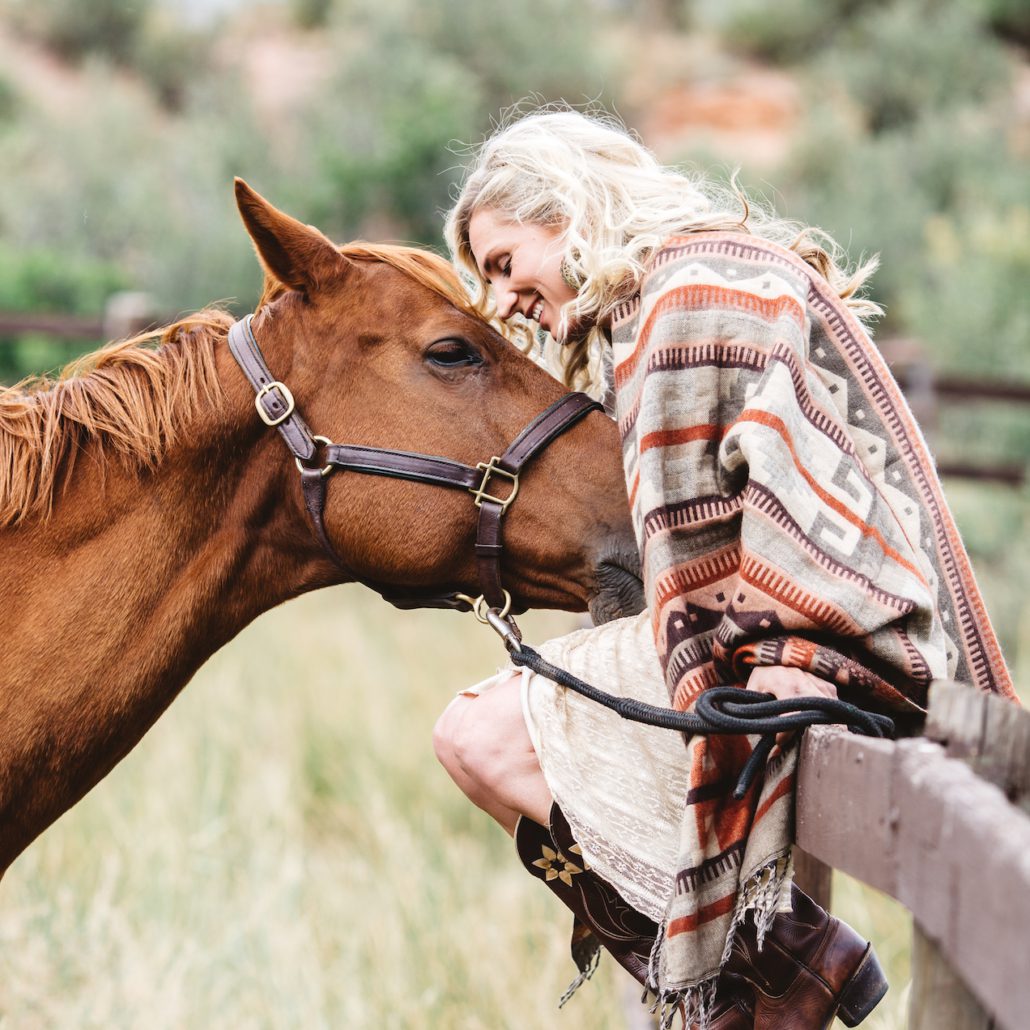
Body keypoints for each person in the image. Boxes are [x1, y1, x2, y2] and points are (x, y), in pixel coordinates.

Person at [433, 107, 1015, 1029]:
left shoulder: (678, 306)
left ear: (570, 210)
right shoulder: (696, 279)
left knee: (477, 737)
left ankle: (762, 971)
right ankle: (762, 970)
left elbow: (727, 549)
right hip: (850, 629)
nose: (501, 300)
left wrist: (755, 656)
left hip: (836, 642)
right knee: (496, 727)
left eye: (505, 263)